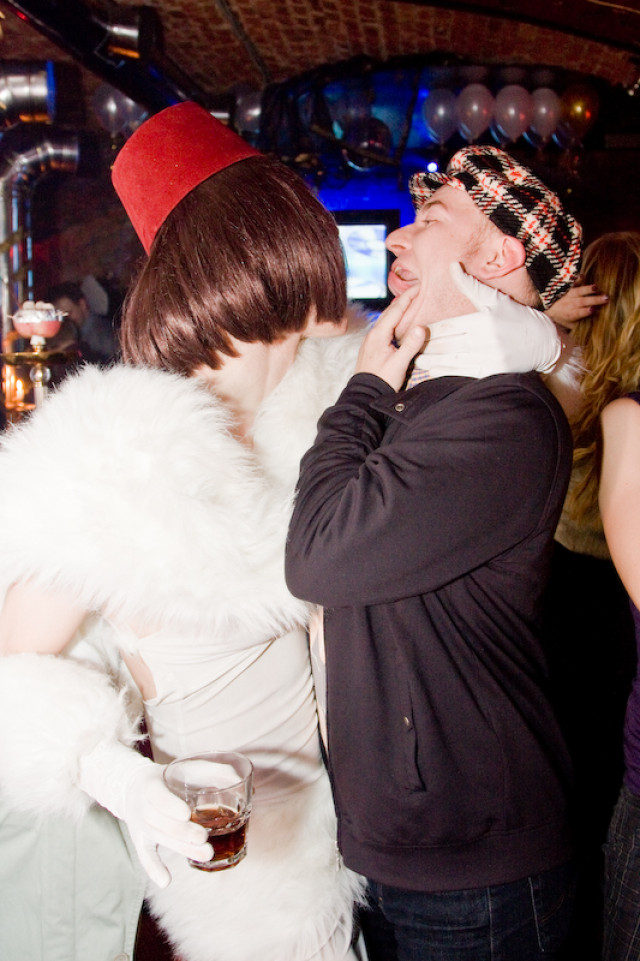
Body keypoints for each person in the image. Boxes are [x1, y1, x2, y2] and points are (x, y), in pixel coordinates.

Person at [0, 101, 368, 961]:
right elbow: (10, 662)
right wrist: (110, 771)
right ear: (267, 250)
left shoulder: (316, 405)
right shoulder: (117, 465)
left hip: (362, 841)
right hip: (249, 881)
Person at [285, 145, 583, 961]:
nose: (396, 236)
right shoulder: (436, 389)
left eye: (430, 219)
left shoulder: (502, 418)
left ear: (499, 256)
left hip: (472, 865)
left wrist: (362, 392)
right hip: (400, 841)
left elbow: (317, 557)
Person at [554, 231, 640, 961]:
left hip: (576, 594)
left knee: (582, 777)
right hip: (604, 602)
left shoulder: (576, 382)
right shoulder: (606, 390)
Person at [47, 279, 119, 364]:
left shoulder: (105, 336)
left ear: (82, 304)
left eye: (68, 313)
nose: (64, 321)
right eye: (59, 318)